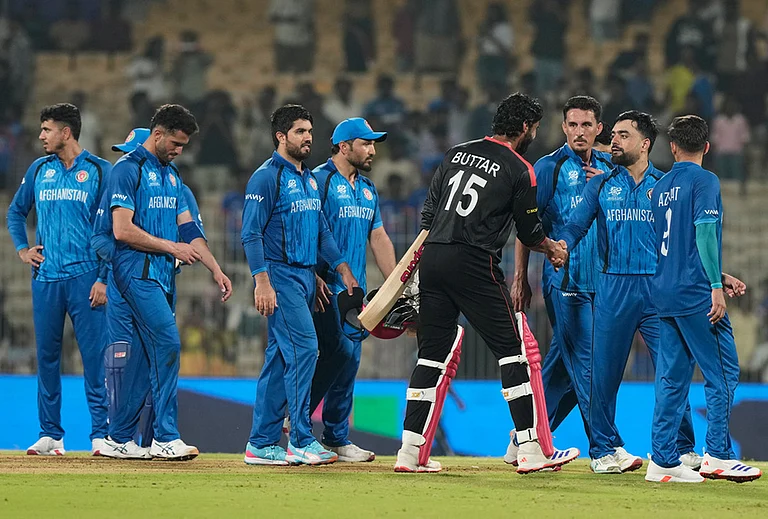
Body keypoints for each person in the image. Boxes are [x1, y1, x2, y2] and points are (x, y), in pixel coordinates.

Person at [394, 92, 578, 474]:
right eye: (535, 129)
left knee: (430, 356)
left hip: (434, 258)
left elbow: (429, 215)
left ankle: (408, 454)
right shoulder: (520, 168)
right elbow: (529, 233)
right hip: (474, 262)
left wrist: (412, 273)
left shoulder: (454, 154)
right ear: (526, 127)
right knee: (514, 354)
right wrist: (553, 249)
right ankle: (528, 450)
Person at [556, 111, 699, 473]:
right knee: (603, 376)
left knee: (671, 371)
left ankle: (681, 449)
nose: (613, 141)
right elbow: (576, 225)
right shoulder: (601, 184)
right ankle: (602, 452)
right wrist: (561, 246)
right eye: (614, 134)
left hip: (657, 289)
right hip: (614, 288)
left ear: (645, 143)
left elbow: (685, 240)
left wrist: (716, 275)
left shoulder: (666, 187)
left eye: (622, 135)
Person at [96, 104, 232, 460]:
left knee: (143, 357)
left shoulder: (173, 178)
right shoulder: (126, 170)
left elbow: (190, 231)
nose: (179, 150)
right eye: (175, 142)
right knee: (168, 342)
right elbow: (121, 230)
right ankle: (165, 437)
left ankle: (119, 438)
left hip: (162, 277)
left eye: (184, 145)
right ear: (157, 134)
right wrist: (171, 246)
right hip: (135, 272)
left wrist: (215, 269)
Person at [645, 115, 762, 483]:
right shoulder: (706, 180)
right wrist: (714, 285)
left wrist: (718, 275)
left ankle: (662, 459)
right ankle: (718, 454)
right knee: (723, 372)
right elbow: (705, 234)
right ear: (707, 147)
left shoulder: (659, 187)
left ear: (673, 147)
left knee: (672, 379)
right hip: (696, 295)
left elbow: (668, 246)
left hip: (664, 291)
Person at [241, 104, 358, 466]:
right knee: (305, 350)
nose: (308, 137)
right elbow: (250, 233)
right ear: (281, 136)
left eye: (309, 131)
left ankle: (261, 443)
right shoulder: (266, 177)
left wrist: (341, 268)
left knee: (279, 359)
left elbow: (321, 229)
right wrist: (262, 281)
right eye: (299, 132)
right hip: (280, 276)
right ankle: (301, 439)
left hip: (306, 277)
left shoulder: (308, 178)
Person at [509, 97, 613, 465]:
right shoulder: (549, 167)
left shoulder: (608, 167)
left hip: (602, 283)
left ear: (599, 129)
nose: (579, 132)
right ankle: (604, 448)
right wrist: (521, 277)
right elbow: (526, 227)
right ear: (563, 127)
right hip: (563, 281)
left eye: (587, 125)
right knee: (587, 362)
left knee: (566, 365)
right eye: (572, 125)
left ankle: (527, 437)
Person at [6, 103, 112, 456]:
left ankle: (101, 434)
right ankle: (50, 435)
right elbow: (15, 212)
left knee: (94, 358)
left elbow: (112, 230)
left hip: (86, 277)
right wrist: (23, 249)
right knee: (48, 357)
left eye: (47, 129)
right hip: (47, 278)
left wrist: (103, 278)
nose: (41, 136)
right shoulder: (39, 170)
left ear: (66, 132)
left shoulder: (100, 171)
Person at [308, 117, 396, 461]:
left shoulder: (368, 188)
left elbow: (378, 236)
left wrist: (395, 286)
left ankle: (335, 437)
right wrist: (312, 275)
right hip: (324, 286)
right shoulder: (319, 180)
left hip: (354, 292)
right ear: (344, 146)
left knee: (350, 361)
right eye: (366, 143)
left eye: (373, 144)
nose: (373, 150)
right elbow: (307, 230)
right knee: (339, 354)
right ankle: (295, 419)